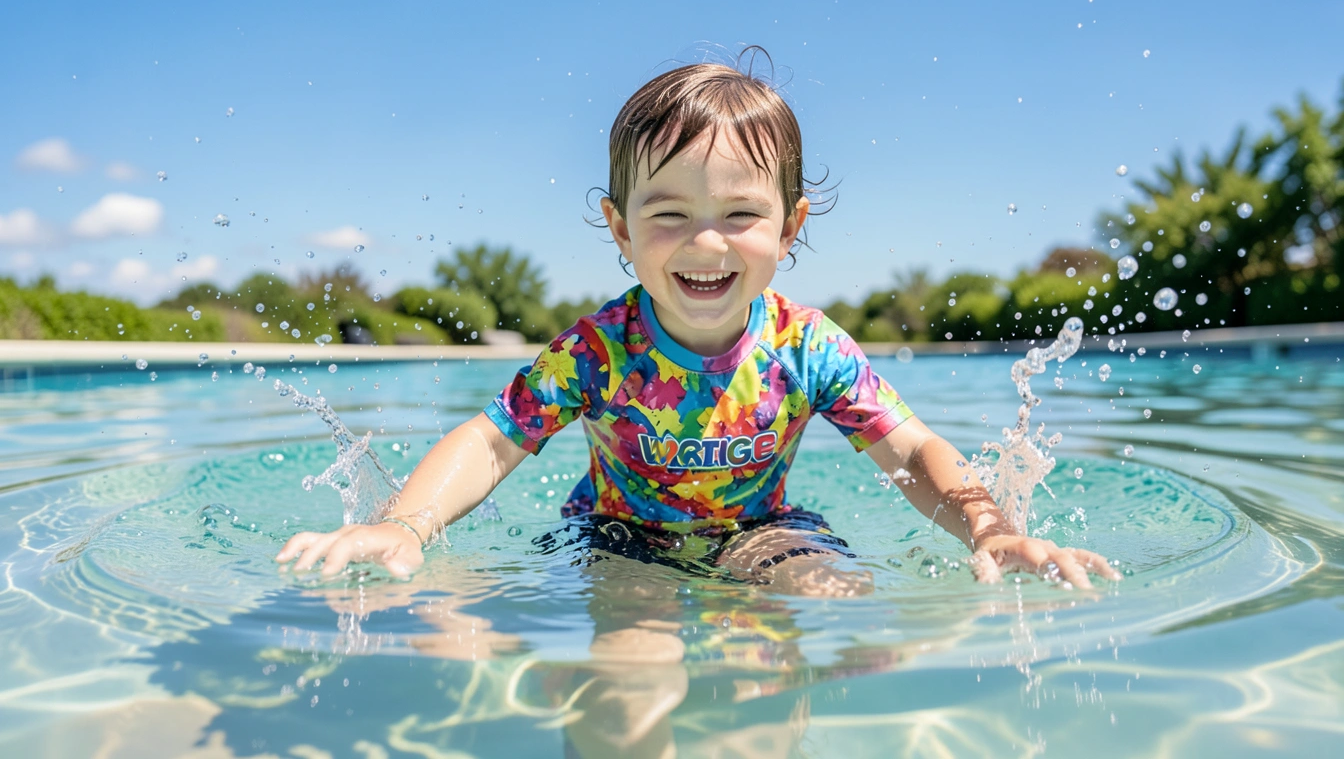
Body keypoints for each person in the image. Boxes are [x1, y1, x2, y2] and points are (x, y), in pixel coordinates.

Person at [276, 48, 1120, 596]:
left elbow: (911, 450)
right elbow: (492, 440)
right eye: (669, 213)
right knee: (634, 675)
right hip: (620, 540)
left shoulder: (806, 346)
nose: (706, 241)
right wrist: (404, 523)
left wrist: (991, 524)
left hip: (763, 531)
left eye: (742, 215)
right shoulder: (597, 351)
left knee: (837, 600)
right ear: (620, 229)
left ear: (790, 230)